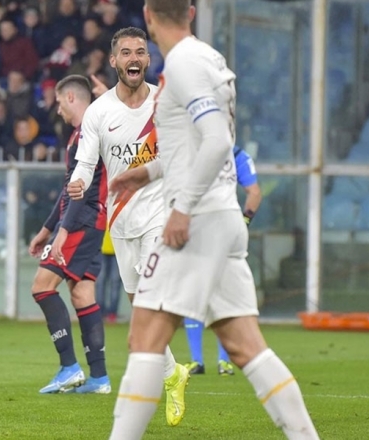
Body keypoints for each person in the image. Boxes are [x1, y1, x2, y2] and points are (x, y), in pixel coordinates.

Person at [105, 2, 320, 438]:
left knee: (144, 338)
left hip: (198, 219)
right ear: (190, 11)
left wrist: (182, 208)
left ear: (148, 15)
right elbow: (196, 143)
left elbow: (218, 141)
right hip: (223, 217)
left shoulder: (183, 63)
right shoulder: (209, 58)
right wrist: (147, 173)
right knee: (245, 345)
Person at [65, 27, 190, 426]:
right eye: (126, 52)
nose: (134, 57)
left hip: (160, 214)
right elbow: (86, 162)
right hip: (120, 221)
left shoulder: (164, 102)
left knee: (151, 300)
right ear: (114, 60)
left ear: (148, 60)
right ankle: (173, 373)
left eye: (140, 51)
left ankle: (148, 386)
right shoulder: (99, 112)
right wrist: (78, 182)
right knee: (140, 309)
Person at [26, 75, 109, 395]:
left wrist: (61, 232)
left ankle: (69, 367)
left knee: (41, 287)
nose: (57, 109)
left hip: (82, 221)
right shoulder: (82, 132)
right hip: (91, 221)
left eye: (60, 102)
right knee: (82, 295)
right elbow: (68, 189)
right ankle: (99, 378)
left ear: (72, 97)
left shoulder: (88, 132)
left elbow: (79, 190)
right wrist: (46, 229)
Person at [184, 145, 263, 376]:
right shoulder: (238, 155)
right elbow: (254, 193)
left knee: (194, 294)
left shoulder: (192, 151)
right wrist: (244, 222)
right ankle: (224, 362)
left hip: (198, 228)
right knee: (225, 295)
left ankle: (197, 360)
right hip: (227, 229)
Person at [95, 224, 123, 323]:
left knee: (115, 282)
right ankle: (100, 311)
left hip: (118, 250)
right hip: (101, 248)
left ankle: (112, 312)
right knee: (100, 281)